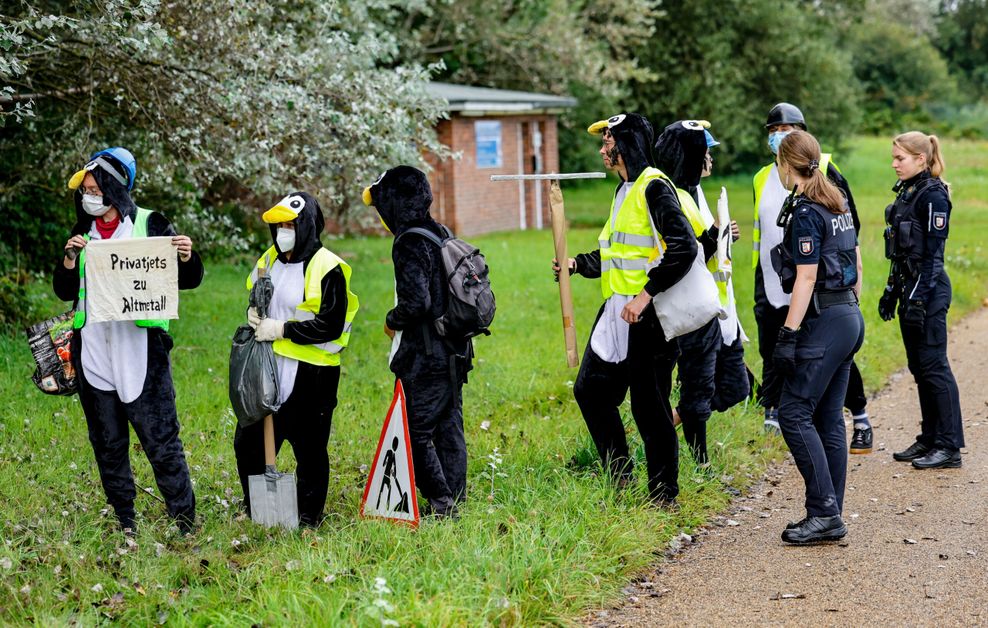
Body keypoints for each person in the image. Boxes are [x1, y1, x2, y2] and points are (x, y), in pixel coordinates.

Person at [54, 147, 202, 534]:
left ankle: (184, 518)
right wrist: (69, 259)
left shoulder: (151, 224)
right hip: (94, 351)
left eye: (95, 188)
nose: (90, 195)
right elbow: (63, 288)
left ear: (115, 188)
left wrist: (186, 256)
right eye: (85, 189)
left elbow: (187, 280)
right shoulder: (80, 234)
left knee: (160, 437)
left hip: (140, 350)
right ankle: (125, 519)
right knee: (107, 441)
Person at [555, 113, 696, 504]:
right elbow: (616, 253)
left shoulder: (655, 188)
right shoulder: (623, 190)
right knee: (591, 392)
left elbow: (685, 247)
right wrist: (577, 265)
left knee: (650, 408)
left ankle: (664, 495)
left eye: (608, 141)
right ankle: (620, 476)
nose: (603, 149)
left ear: (627, 144)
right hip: (617, 311)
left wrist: (645, 295)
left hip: (649, 316)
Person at [752, 103, 872, 454]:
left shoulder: (822, 167)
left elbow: (848, 228)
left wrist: (847, 287)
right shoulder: (762, 176)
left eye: (788, 129)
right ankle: (774, 412)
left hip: (818, 280)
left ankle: (860, 415)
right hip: (776, 279)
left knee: (828, 354)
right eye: (773, 130)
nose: (779, 135)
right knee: (775, 350)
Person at [234, 192, 358, 527]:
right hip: (268, 371)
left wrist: (281, 329)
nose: (283, 232)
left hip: (312, 376)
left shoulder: (327, 266)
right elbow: (256, 292)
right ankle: (258, 507)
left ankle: (308, 517)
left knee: (310, 450)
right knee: (248, 443)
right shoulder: (269, 259)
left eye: (290, 224)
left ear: (306, 225)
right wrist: (254, 312)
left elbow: (330, 325)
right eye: (278, 226)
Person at [362, 166, 472, 519]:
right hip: (456, 347)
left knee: (415, 430)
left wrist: (391, 320)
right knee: (450, 423)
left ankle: (442, 502)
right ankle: (455, 497)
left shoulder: (408, 241)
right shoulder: (440, 231)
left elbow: (417, 303)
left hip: (427, 354)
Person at [771, 131, 864, 544]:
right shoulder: (836, 201)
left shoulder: (809, 211)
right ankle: (830, 509)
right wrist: (850, 309)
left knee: (792, 412)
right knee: (827, 417)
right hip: (847, 314)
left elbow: (805, 278)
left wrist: (789, 333)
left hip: (826, 317)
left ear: (786, 165)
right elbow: (855, 258)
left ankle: (824, 512)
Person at [652, 120, 744, 465]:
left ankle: (669, 420)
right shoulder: (672, 196)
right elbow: (684, 255)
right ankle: (700, 463)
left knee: (735, 388)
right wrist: (714, 237)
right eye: (705, 153)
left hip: (720, 308)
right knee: (697, 392)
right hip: (692, 310)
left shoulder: (697, 192)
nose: (710, 159)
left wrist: (723, 235)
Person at [882, 132, 964, 469]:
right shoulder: (907, 193)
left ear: (921, 159)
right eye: (894, 157)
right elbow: (900, 251)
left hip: (928, 292)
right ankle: (930, 437)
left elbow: (933, 257)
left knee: (934, 366)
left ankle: (949, 446)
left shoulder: (934, 196)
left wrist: (917, 299)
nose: (894, 164)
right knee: (919, 368)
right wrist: (891, 290)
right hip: (910, 290)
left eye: (900, 158)